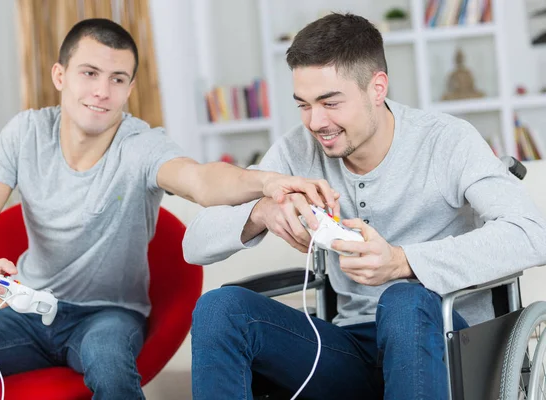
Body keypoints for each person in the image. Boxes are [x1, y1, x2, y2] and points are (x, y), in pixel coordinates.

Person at [0, 18, 339, 400]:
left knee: (111, 369)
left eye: (117, 79)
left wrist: (267, 181)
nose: (102, 90)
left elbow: (201, 180)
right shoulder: (24, 134)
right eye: (89, 73)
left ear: (129, 88)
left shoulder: (141, 146)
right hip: (26, 308)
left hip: (107, 315)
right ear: (60, 76)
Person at [183, 12, 546, 400]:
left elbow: (533, 233)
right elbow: (194, 244)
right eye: (303, 104)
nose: (315, 121)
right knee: (220, 309)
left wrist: (402, 261)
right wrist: (260, 213)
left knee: (404, 299)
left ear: (377, 88)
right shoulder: (297, 151)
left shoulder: (446, 141)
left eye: (330, 102)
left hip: (445, 341)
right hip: (351, 350)